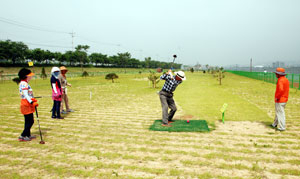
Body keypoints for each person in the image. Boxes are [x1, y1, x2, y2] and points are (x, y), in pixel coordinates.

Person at [18, 68, 39, 141]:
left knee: (28, 120)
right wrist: (32, 102)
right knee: (30, 121)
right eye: (29, 75)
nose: (31, 77)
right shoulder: (24, 83)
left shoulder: (24, 83)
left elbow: (28, 95)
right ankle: (23, 135)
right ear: (25, 76)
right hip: (26, 103)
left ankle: (28, 135)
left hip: (27, 102)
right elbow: (26, 95)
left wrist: (32, 99)